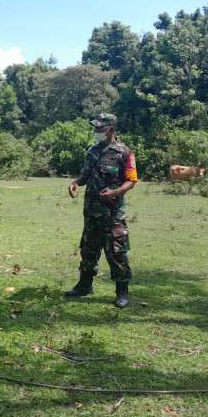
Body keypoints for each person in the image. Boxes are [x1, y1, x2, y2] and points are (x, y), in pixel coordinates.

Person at [65, 113, 138, 308]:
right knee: (88, 248)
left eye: (100, 128)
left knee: (117, 250)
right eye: (95, 128)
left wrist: (115, 192)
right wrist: (76, 183)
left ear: (111, 129)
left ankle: (122, 292)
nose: (96, 131)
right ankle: (84, 285)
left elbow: (131, 180)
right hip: (91, 211)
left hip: (113, 213)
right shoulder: (93, 151)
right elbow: (85, 174)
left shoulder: (124, 152)